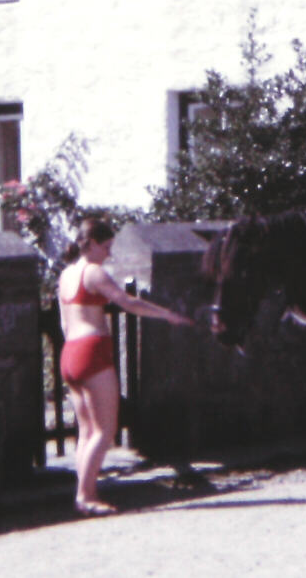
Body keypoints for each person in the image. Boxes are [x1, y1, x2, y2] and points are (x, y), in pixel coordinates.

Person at [57, 216, 193, 515]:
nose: (109, 253)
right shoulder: (94, 273)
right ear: (91, 244)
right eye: (106, 246)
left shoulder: (67, 274)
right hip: (92, 351)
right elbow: (128, 303)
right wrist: (168, 314)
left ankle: (84, 493)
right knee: (105, 431)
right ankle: (86, 496)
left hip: (70, 354)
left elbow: (64, 321)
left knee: (86, 432)